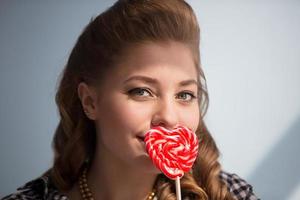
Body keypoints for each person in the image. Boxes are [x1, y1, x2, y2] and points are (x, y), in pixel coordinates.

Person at [2, 0, 259, 200]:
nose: (169, 117)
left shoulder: (232, 194)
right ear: (90, 102)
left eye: (184, 95)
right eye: (141, 91)